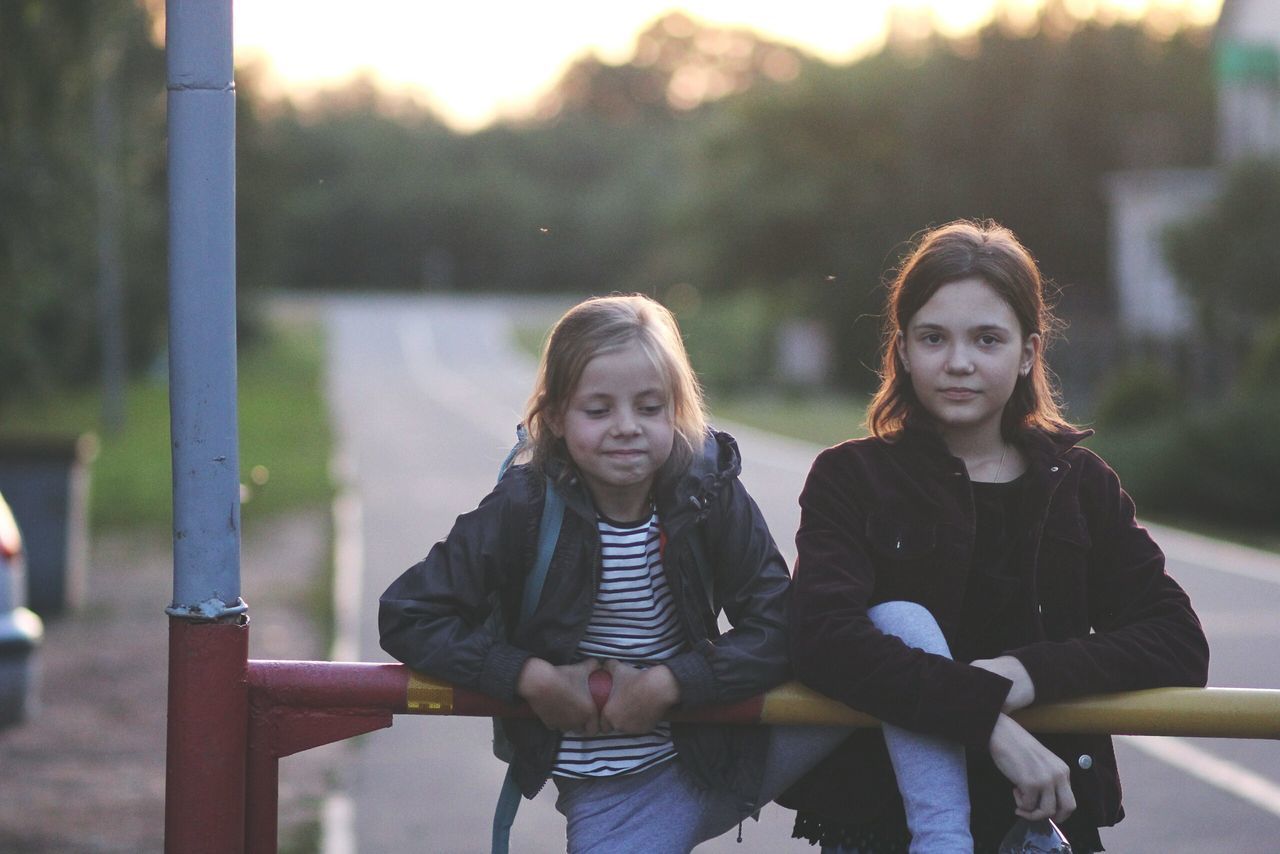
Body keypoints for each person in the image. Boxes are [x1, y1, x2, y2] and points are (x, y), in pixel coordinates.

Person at [779, 220, 1210, 853]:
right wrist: (987, 718)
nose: (959, 362)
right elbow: (823, 638)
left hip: (1049, 816)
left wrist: (1026, 673)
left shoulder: (1080, 484)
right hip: (883, 822)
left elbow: (1177, 642)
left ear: (1029, 351)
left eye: (987, 339)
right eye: (933, 338)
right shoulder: (852, 477)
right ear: (901, 348)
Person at [379, 293, 838, 853]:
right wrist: (530, 677)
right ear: (554, 417)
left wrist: (669, 684)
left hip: (718, 753)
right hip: (611, 799)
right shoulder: (523, 507)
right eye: (598, 410)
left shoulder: (709, 490)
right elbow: (409, 612)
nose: (627, 428)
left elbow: (779, 625)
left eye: (650, 408)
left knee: (895, 632)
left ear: (676, 408)